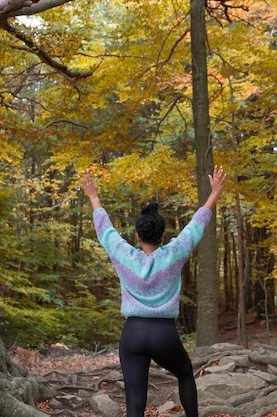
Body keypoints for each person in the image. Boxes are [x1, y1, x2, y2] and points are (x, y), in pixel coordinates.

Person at [78, 165, 226, 417]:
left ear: (137, 236)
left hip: (132, 335)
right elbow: (195, 226)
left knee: (135, 400)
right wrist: (214, 193)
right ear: (163, 235)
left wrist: (93, 196)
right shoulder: (175, 253)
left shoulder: (124, 256)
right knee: (185, 374)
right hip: (164, 335)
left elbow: (106, 232)